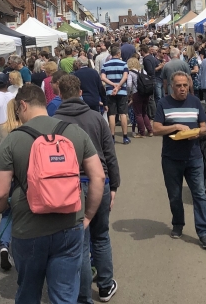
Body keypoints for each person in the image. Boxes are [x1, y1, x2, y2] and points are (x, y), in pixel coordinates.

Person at [0, 85, 105, 304]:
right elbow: (98, 177)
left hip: (28, 229)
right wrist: (88, 216)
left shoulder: (13, 140)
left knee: (28, 293)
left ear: (22, 105)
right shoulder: (75, 133)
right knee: (64, 295)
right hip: (70, 225)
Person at [54, 75, 121, 303]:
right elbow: (110, 153)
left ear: (60, 95)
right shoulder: (96, 118)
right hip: (98, 181)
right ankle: (104, 285)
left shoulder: (54, 122)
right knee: (101, 236)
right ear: (80, 93)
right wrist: (115, 185)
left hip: (70, 186)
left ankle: (83, 296)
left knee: (79, 244)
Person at [152, 71, 206, 249]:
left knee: (200, 195)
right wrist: (175, 127)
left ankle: (204, 233)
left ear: (189, 85)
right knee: (174, 196)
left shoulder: (195, 102)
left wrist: (196, 133)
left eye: (185, 85)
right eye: (178, 85)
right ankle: (178, 224)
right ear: (172, 86)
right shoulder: (164, 103)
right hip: (171, 158)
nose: (182, 89)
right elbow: (155, 129)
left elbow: (203, 127)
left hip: (194, 157)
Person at [0, 99, 22, 271]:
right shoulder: (26, 129)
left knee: (6, 215)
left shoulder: (0, 129)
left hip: (3, 177)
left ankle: (3, 245)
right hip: (22, 179)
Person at [101, 45, 130, 144]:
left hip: (110, 91)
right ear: (118, 54)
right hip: (122, 91)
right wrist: (118, 86)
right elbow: (125, 77)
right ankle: (125, 136)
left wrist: (113, 85)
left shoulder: (105, 65)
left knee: (112, 114)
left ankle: (112, 137)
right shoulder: (124, 64)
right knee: (123, 114)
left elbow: (103, 77)